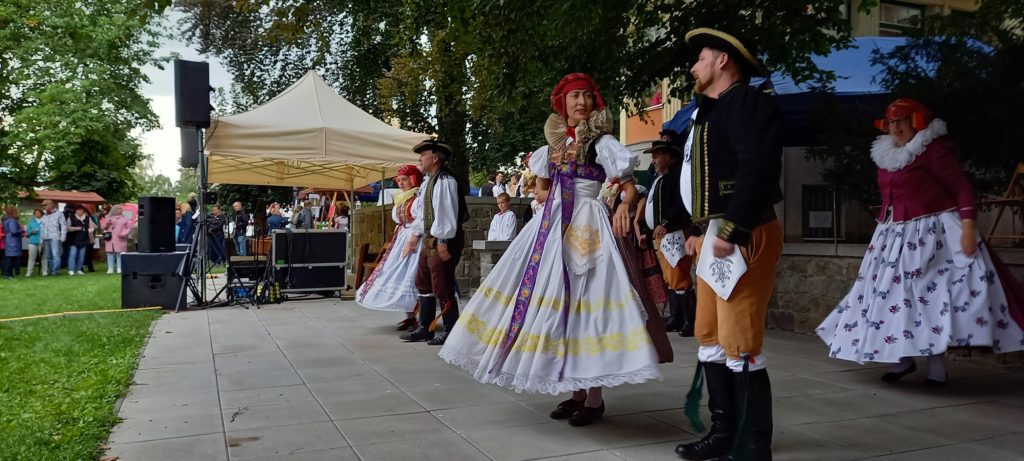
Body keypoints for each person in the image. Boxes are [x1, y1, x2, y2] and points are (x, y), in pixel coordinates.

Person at [438, 73, 661, 427]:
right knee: (559, 308)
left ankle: (595, 398)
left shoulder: (603, 143)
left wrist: (622, 203)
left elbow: (629, 187)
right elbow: (542, 189)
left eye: (587, 96)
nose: (581, 102)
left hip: (589, 228)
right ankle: (575, 392)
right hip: (552, 228)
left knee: (588, 306)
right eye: (574, 96)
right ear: (562, 102)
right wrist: (555, 195)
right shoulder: (553, 145)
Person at [817, 98, 1024, 385]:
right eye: (891, 122)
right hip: (893, 236)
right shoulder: (887, 154)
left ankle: (936, 367)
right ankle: (903, 359)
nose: (895, 127)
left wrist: (967, 227)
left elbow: (962, 189)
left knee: (930, 298)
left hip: (932, 235)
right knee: (893, 298)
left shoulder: (931, 150)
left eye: (901, 121)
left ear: (917, 121)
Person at [675, 28, 783, 461]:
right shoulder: (709, 111)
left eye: (701, 58)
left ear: (722, 60)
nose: (693, 67)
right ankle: (724, 433)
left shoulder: (747, 102)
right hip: (714, 237)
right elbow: (700, 181)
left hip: (743, 233)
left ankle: (754, 444)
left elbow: (757, 167)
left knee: (740, 342)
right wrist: (698, 231)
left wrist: (733, 228)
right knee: (710, 336)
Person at [399, 139, 468, 346]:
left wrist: (443, 242)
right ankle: (425, 328)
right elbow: (422, 214)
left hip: (443, 239)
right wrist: (414, 236)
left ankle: (450, 330)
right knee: (423, 280)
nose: (420, 159)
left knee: (442, 284)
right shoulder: (428, 182)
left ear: (435, 158)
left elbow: (446, 213)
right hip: (431, 239)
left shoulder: (445, 181)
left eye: (423, 155)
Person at [636, 140, 696, 336]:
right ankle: (676, 317)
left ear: (668, 157)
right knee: (669, 278)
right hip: (662, 235)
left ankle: (690, 320)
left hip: (675, 232)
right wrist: (647, 231)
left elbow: (680, 205)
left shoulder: (676, 178)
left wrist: (666, 223)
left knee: (679, 276)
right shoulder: (660, 179)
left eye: (656, 156)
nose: (653, 161)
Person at [357, 165, 426, 330]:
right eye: (399, 180)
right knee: (399, 275)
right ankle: (410, 317)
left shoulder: (419, 199)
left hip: (415, 241)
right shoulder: (402, 199)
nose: (401, 183)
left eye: (404, 180)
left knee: (413, 276)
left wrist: (413, 237)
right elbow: (400, 220)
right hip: (402, 239)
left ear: (413, 180)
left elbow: (422, 220)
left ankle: (422, 319)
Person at [38, 200, 66, 276]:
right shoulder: (45, 215)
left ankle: (55, 272)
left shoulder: (59, 213)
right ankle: (52, 270)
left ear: (51, 204)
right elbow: (42, 227)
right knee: (48, 256)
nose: (44, 207)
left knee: (56, 255)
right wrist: (41, 239)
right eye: (43, 205)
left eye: (45, 205)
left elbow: (63, 225)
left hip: (55, 237)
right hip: (46, 237)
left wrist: (63, 236)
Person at [101, 205, 132, 274]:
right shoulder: (108, 217)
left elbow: (129, 228)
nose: (121, 210)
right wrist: (107, 223)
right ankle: (110, 268)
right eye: (119, 208)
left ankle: (119, 268)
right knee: (109, 253)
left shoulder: (124, 219)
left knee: (120, 253)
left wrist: (124, 233)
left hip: (120, 238)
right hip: (110, 238)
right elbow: (102, 227)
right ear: (114, 209)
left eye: (121, 209)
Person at [66, 205, 95, 276]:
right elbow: (67, 228)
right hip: (73, 239)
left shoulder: (88, 218)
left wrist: (89, 231)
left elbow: (92, 227)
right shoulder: (71, 218)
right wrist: (76, 228)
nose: (79, 211)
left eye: (81, 210)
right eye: (78, 210)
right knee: (73, 254)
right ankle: (71, 270)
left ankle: (79, 269)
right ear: (75, 211)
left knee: (82, 255)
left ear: (83, 211)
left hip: (84, 239)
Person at [2, 207, 23, 279]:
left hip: (8, 239)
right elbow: (14, 231)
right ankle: (8, 275)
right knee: (11, 258)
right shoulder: (12, 221)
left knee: (9, 257)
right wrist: (21, 230)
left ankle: (8, 274)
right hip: (13, 241)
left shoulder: (6, 220)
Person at [26, 209, 44, 277]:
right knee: (31, 258)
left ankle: (44, 272)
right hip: (33, 242)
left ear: (42, 214)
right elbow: (27, 234)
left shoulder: (44, 222)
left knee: (43, 258)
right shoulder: (31, 222)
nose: (37, 214)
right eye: (36, 213)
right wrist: (31, 232)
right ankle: (29, 272)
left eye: (39, 213)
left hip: (42, 242)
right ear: (34, 214)